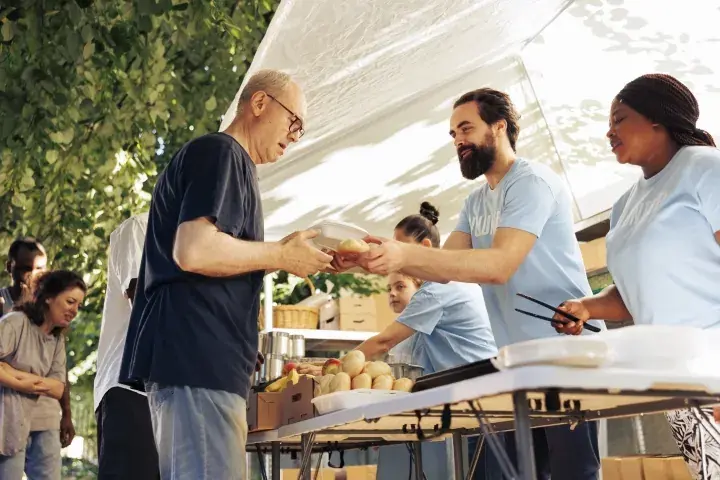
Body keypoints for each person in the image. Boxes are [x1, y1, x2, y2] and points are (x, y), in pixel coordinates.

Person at [350, 88, 604, 479]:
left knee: (574, 472)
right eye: (453, 135)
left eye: (466, 129)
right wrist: (374, 261)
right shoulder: (475, 201)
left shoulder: (530, 182)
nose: (458, 141)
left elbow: (499, 265)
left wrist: (403, 256)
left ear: (499, 127)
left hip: (564, 354)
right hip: (517, 362)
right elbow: (444, 267)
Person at [119, 69, 333, 480]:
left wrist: (285, 253)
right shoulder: (222, 153)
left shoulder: (231, 163)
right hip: (198, 360)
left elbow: (218, 256)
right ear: (259, 103)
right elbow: (194, 249)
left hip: (200, 364)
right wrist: (283, 256)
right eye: (295, 122)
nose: (295, 136)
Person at [553, 73, 720, 479]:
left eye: (619, 119)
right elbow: (636, 289)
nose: (608, 132)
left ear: (657, 120)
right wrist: (587, 307)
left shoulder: (705, 168)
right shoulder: (625, 205)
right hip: (677, 380)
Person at [327, 202, 498, 480]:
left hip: (478, 405)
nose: (394, 256)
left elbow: (383, 343)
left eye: (400, 248)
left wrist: (333, 367)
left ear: (426, 247)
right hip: (470, 406)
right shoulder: (445, 284)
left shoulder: (438, 289)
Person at [0, 270, 86, 480]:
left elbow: (57, 388)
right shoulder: (15, 323)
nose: (75, 310)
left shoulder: (57, 339)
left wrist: (12, 374)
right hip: (8, 419)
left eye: (78, 305)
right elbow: (51, 385)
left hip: (44, 419)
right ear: (48, 297)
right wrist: (39, 383)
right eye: (70, 301)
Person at [94, 213, 159, 479]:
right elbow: (142, 301)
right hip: (130, 389)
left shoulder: (204, 242)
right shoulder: (140, 227)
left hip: (169, 393)